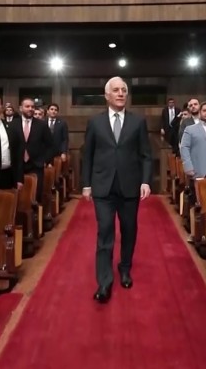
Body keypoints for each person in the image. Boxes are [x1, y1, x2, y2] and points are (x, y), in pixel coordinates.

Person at [81, 77, 152, 304]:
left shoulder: (138, 122)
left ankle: (125, 268)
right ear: (107, 95)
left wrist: (146, 181)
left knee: (129, 230)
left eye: (124, 90)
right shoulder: (95, 122)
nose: (121, 93)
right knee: (105, 231)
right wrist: (86, 184)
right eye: (116, 90)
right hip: (103, 187)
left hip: (130, 187)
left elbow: (146, 155)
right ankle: (104, 281)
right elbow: (87, 155)